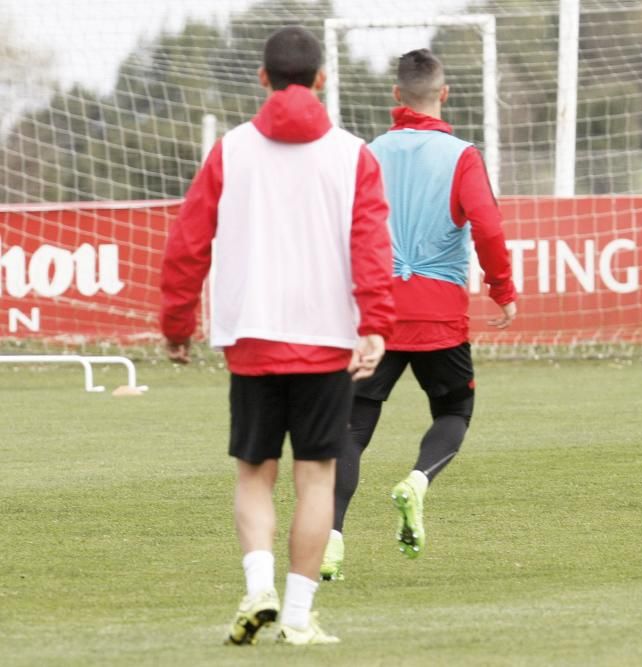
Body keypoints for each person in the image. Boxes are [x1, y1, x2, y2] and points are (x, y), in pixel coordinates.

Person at [160, 26, 394, 645]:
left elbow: (188, 243)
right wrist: (375, 323)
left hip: (252, 337)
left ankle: (258, 585)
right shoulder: (352, 154)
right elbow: (371, 245)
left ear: (263, 78)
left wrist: (177, 325)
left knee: (254, 472)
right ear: (321, 79)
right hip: (326, 340)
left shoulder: (231, 150)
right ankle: (295, 617)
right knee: (316, 477)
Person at [319, 48, 517, 581]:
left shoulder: (366, 153)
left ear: (395, 96)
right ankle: (417, 481)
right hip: (439, 314)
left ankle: (332, 537)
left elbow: (341, 229)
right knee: (452, 412)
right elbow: (489, 228)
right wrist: (503, 288)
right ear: (443, 94)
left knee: (354, 427)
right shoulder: (460, 155)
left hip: (377, 313)